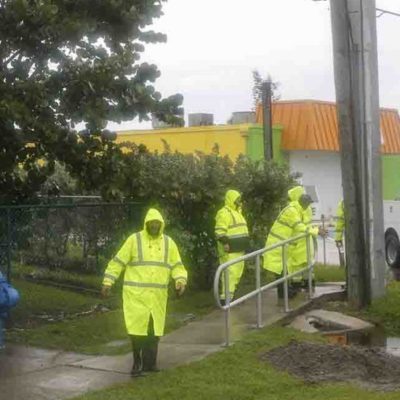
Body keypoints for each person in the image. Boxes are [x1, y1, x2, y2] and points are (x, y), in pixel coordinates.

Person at [101, 208, 187, 377]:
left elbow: (177, 265)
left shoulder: (169, 243)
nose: (154, 225)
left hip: (157, 297)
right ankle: (137, 363)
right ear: (146, 223)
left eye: (157, 223)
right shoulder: (134, 240)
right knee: (137, 330)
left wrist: (180, 281)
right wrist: (108, 282)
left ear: (161, 224)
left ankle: (151, 363)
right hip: (136, 296)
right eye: (151, 223)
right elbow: (118, 262)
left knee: (154, 331)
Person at [263, 187, 325, 300]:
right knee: (280, 270)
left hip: (283, 244)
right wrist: (316, 231)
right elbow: (299, 226)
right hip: (277, 244)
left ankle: (286, 293)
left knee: (284, 270)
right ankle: (283, 295)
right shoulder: (291, 210)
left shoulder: (298, 209)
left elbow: (302, 226)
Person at [215, 190, 249, 304]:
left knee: (236, 274)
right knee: (229, 274)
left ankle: (231, 296)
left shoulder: (238, 213)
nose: (239, 201)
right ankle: (225, 298)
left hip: (239, 249)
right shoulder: (224, 212)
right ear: (231, 199)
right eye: (237, 199)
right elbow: (220, 231)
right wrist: (225, 243)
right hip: (230, 250)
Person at [287, 187, 317, 291]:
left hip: (298, 240)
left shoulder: (294, 208)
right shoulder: (306, 208)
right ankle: (309, 285)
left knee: (297, 265)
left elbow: (297, 225)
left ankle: (296, 287)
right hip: (307, 239)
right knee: (308, 263)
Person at [335, 199, 346, 267]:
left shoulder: (342, 203)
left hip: (348, 232)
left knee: (341, 249)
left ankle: (342, 265)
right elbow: (340, 221)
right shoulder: (342, 203)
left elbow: (340, 221)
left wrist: (338, 238)